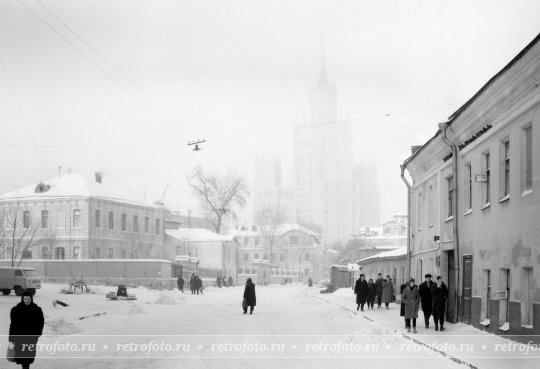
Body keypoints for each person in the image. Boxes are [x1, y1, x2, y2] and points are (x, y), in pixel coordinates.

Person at [9, 291, 45, 369]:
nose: (27, 301)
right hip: (20, 337)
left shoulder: (37, 310)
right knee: (22, 356)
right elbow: (13, 325)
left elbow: (41, 322)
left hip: (31, 337)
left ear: (31, 299)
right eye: (25, 299)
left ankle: (25, 367)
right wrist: (11, 338)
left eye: (28, 299)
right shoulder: (16, 310)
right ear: (22, 299)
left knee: (28, 356)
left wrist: (37, 333)